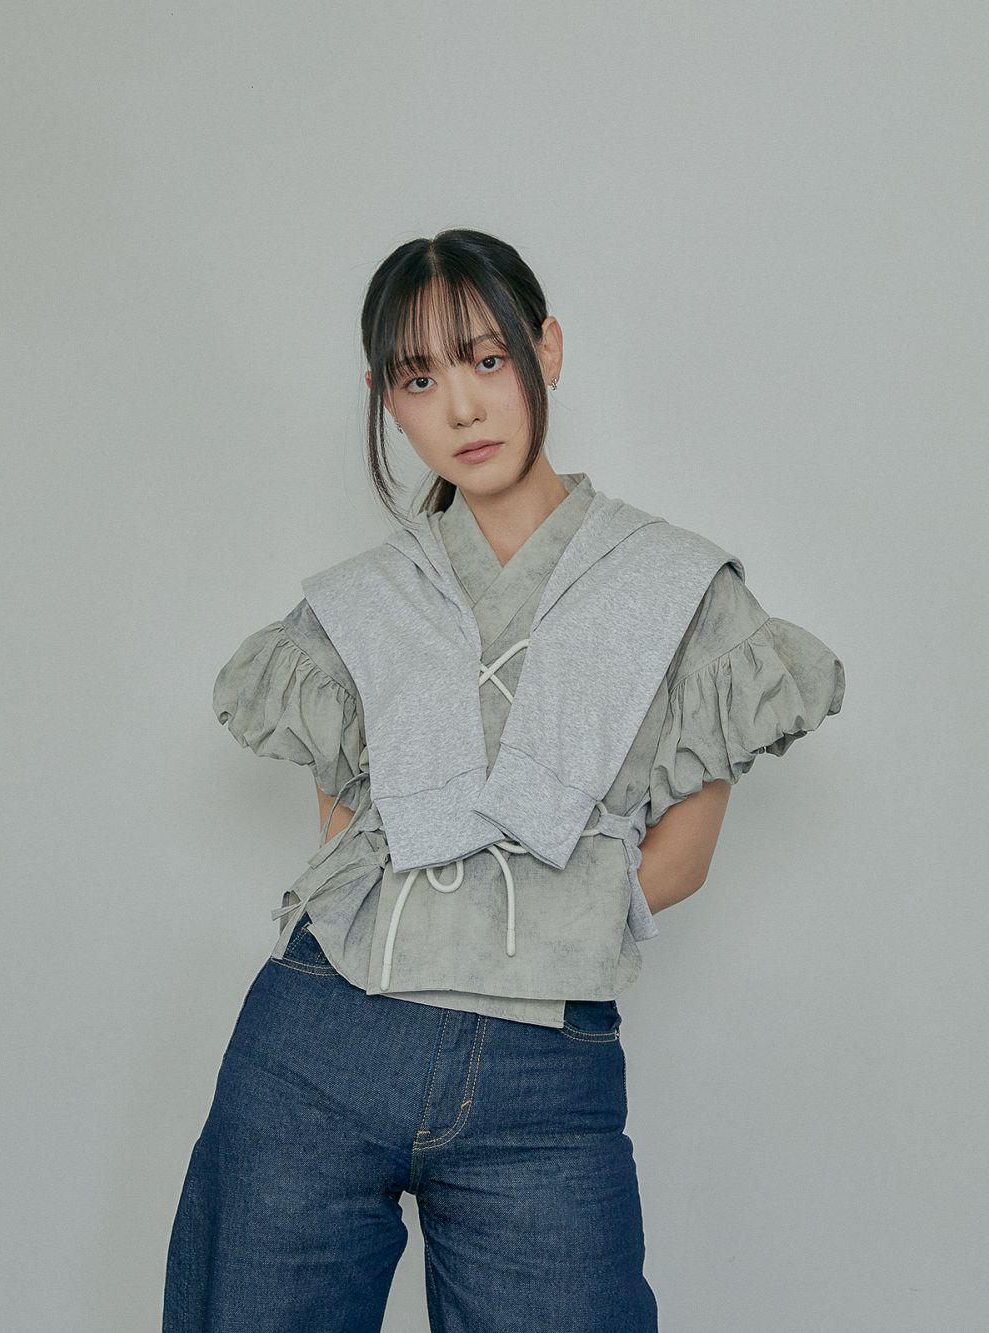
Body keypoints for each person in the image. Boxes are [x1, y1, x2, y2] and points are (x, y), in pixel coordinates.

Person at [162, 229, 845, 1332]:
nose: (463, 408)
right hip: (316, 1047)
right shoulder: (360, 599)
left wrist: (534, 926)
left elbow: (682, 857)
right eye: (418, 379)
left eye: (487, 359)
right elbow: (346, 836)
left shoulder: (678, 585)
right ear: (387, 400)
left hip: (542, 1078)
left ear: (547, 349)